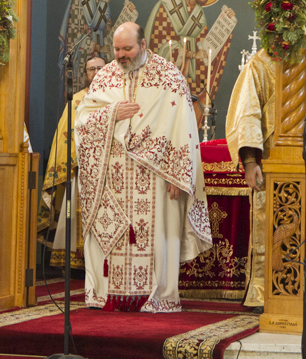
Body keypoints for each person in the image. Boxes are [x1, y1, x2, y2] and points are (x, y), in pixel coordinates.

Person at [74, 22, 211, 312]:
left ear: (144, 45)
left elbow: (184, 126)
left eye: (128, 49)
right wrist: (112, 114)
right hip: (112, 179)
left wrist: (179, 174)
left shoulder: (169, 76)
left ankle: (156, 296)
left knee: (157, 239)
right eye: (117, 49)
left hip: (156, 179)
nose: (121, 55)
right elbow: (83, 122)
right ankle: (107, 294)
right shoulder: (104, 78)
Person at [38, 55, 106, 271]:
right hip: (81, 169)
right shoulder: (76, 100)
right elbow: (65, 135)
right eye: (90, 69)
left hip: (109, 170)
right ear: (85, 74)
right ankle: (76, 262)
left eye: (99, 68)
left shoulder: (117, 97)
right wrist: (72, 162)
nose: (95, 73)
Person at [225, 47, 277, 311]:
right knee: (267, 227)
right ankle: (264, 291)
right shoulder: (261, 64)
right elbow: (247, 114)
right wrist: (250, 161)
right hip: (270, 163)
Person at [58, 0, 117, 88]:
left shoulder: (104, 0)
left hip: (100, 66)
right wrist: (97, 47)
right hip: (80, 64)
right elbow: (73, 35)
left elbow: (109, 32)